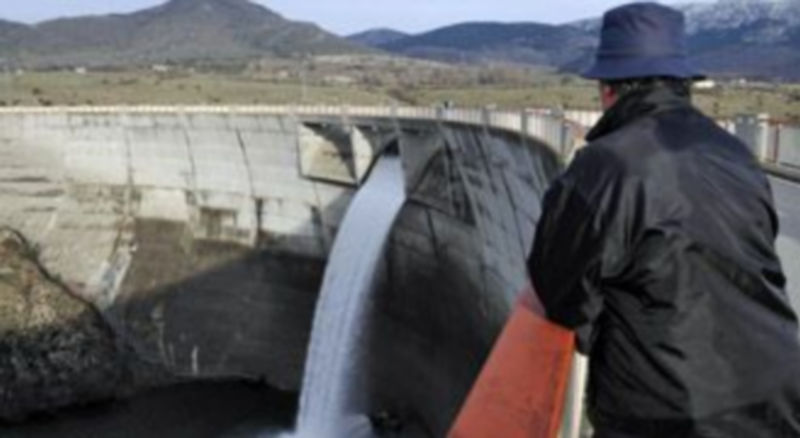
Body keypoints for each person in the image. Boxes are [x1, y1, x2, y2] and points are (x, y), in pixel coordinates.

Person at [528, 3, 800, 437]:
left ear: (608, 89)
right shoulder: (737, 156)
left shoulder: (603, 167)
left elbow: (560, 291)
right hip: (775, 399)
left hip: (667, 414)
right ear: (683, 83)